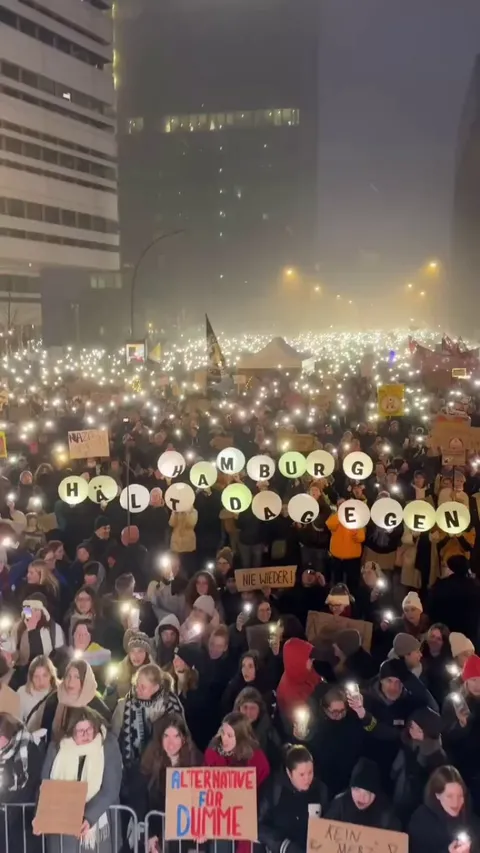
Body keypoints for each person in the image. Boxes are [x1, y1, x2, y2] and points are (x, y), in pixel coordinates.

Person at [36, 707, 122, 853]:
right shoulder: (57, 747)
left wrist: (89, 817)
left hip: (97, 826)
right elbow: (45, 785)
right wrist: (40, 816)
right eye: (80, 730)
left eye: (89, 729)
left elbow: (111, 788)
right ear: (70, 731)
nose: (86, 734)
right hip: (62, 827)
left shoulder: (107, 746)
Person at [132, 714, 201, 852]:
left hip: (186, 836)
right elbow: (141, 800)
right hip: (157, 831)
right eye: (166, 736)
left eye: (176, 736)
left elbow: (202, 800)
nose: (171, 743)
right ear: (160, 738)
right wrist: (150, 834)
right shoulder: (149, 761)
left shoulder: (196, 760)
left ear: (183, 738)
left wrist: (202, 827)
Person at [258, 744, 329, 853]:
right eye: (301, 774)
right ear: (289, 772)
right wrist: (283, 846)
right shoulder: (274, 789)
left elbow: (328, 824)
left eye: (310, 772)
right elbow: (259, 826)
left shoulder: (320, 790)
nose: (307, 778)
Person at [112, 663, 184, 768]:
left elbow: (182, 738)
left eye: (143, 687)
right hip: (132, 770)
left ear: (156, 687)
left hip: (165, 768)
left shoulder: (172, 705)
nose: (138, 689)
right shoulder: (124, 706)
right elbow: (113, 740)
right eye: (136, 685)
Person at [391, 706, 446, 823]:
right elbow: (395, 770)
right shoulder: (407, 745)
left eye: (419, 730)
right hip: (399, 798)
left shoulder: (437, 757)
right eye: (412, 727)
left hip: (419, 808)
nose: (413, 731)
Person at [408, 765, 480, 853]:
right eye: (449, 796)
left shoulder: (472, 822)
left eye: (460, 796)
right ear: (437, 795)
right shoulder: (421, 821)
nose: (455, 803)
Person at [0, 712, 43, 851]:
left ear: (8, 735)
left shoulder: (29, 748)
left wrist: (4, 799)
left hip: (24, 819)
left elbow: (30, 783)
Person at [442, 655, 480, 811]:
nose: (477, 685)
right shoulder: (453, 702)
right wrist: (461, 725)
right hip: (461, 765)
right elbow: (446, 736)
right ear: (466, 681)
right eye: (473, 680)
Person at [42, 659, 112, 740]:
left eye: (77, 677)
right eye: (68, 676)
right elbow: (45, 733)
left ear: (85, 679)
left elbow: (107, 736)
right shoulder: (54, 700)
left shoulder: (96, 705)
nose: (71, 681)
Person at [326, 758, 400, 829]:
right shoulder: (340, 805)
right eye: (357, 790)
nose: (361, 797)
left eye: (367, 793)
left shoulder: (386, 813)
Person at [204, 711, 270, 788]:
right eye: (223, 733)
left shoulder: (255, 757)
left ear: (240, 737)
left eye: (229, 735)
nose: (224, 738)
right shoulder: (213, 751)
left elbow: (263, 777)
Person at [427, 554, 480, 642]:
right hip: (470, 636)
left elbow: (431, 611)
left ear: (450, 568)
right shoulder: (475, 586)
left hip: (445, 635)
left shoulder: (440, 587)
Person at [276, 638, 323, 726]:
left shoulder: (301, 671)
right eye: (309, 658)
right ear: (298, 661)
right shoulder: (291, 695)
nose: (312, 660)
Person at [234, 687, 283, 770]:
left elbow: (276, 763)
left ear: (259, 710)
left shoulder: (269, 733)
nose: (248, 712)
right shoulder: (228, 732)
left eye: (252, 708)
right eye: (245, 707)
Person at [15, 593, 65, 670]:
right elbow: (20, 656)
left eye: (36, 610)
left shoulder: (54, 628)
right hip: (24, 671)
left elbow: (60, 654)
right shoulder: (18, 628)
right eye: (30, 610)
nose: (32, 613)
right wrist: (29, 631)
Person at [17, 654, 58, 729]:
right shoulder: (22, 692)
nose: (41, 681)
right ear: (31, 677)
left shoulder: (58, 692)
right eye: (36, 676)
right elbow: (16, 722)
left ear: (51, 675)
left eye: (45, 676)